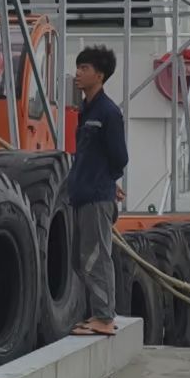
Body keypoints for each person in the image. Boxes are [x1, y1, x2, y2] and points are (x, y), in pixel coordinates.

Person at [66, 45, 127, 337]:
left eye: (84, 68)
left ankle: (104, 318)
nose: (78, 73)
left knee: (97, 257)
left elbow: (119, 157)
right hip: (83, 194)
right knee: (80, 259)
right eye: (78, 67)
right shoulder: (86, 110)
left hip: (96, 197)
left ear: (99, 76)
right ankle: (97, 314)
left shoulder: (108, 112)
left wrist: (107, 181)